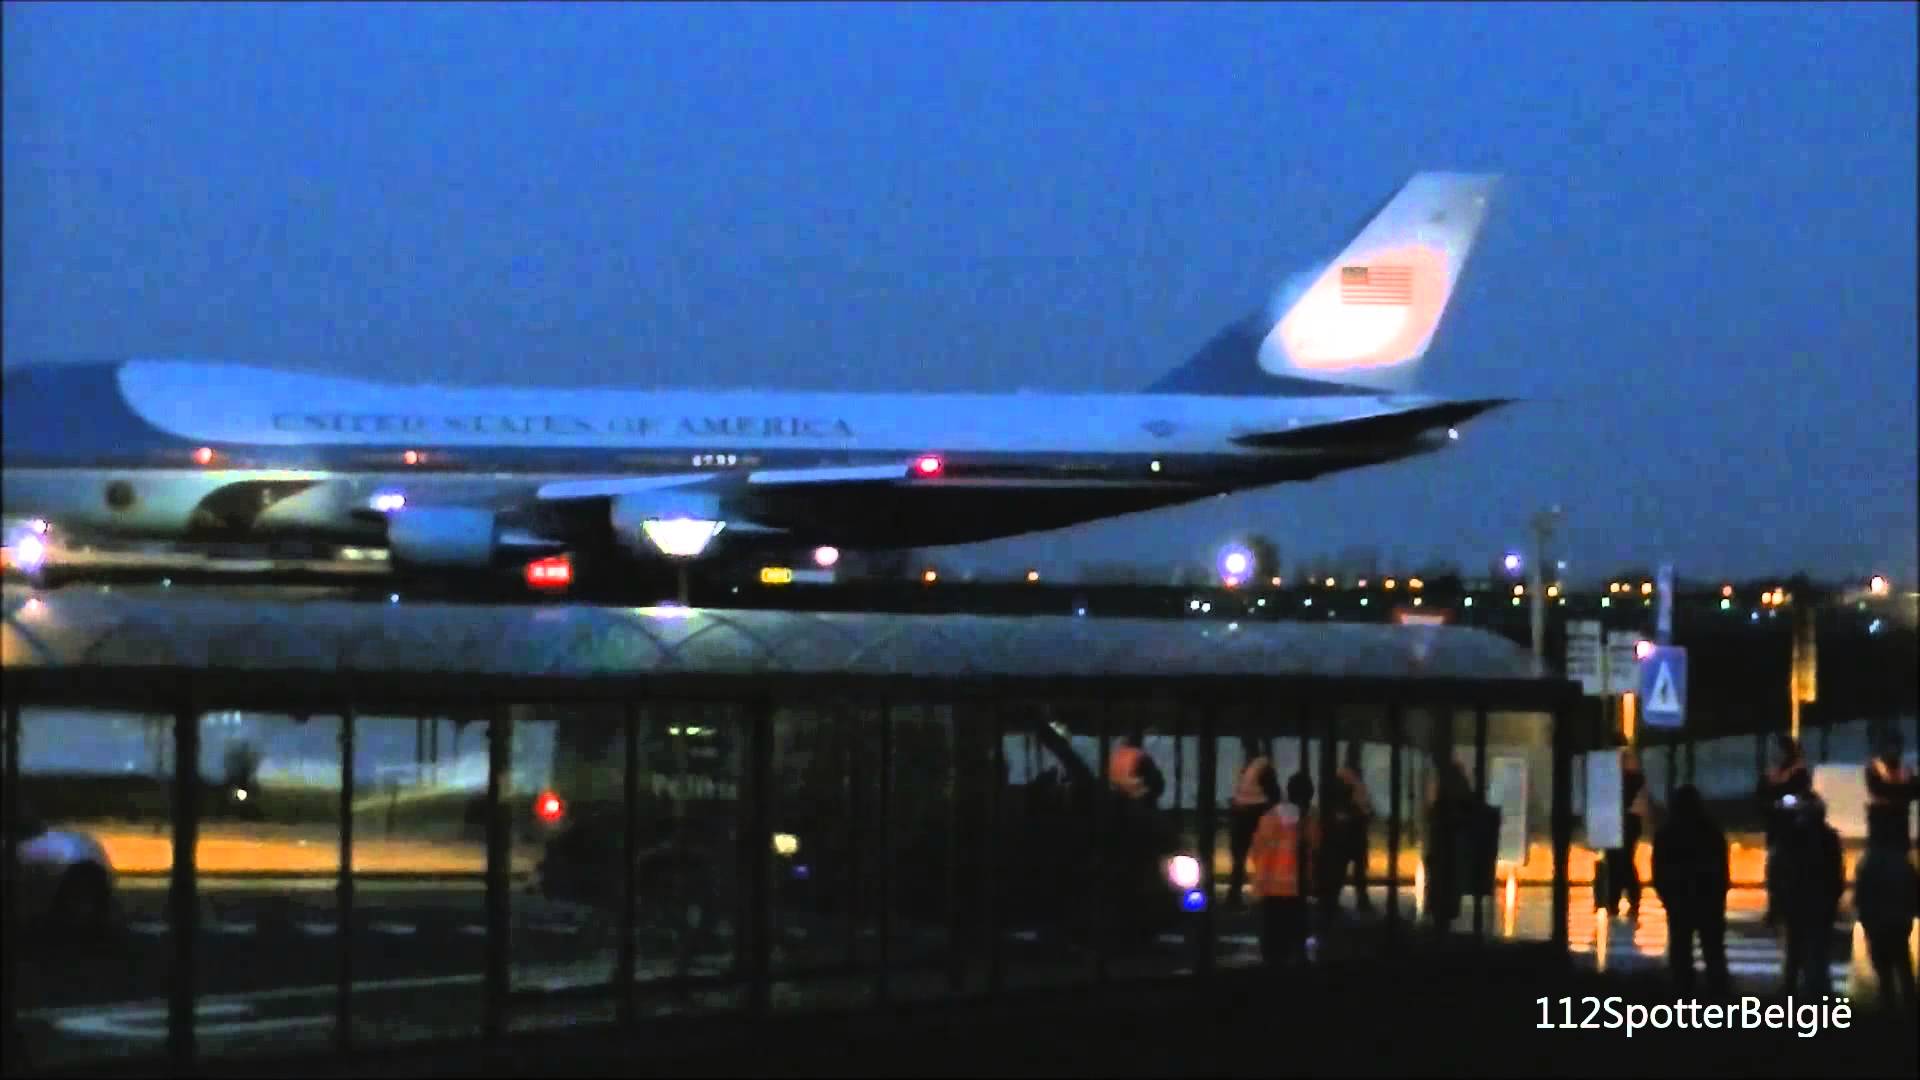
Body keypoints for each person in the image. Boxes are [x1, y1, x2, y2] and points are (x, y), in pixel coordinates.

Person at [1855, 733, 1919, 1009]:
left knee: (1892, 955)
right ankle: (1899, 1000)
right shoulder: (1879, 771)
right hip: (1895, 851)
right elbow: (1901, 792)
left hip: (1892, 850)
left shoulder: (1899, 772)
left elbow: (1905, 792)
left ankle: (1895, 1000)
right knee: (1896, 955)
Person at [1651, 785, 1731, 997]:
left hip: (1679, 902)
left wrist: (1667, 898)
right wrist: (1718, 897)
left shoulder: (1666, 833)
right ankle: (1719, 1001)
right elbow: (1721, 871)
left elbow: (1659, 872)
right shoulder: (1711, 832)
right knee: (1714, 953)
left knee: (1680, 954)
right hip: (1708, 902)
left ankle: (1682, 999)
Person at [1774, 792, 1845, 997]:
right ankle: (1818, 994)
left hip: (1796, 901)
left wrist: (1778, 900)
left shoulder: (1790, 837)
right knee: (1818, 952)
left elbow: (1780, 870)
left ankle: (1789, 993)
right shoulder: (1829, 838)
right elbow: (1835, 874)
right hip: (1820, 903)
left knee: (1794, 952)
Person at [1250, 770, 1321, 968]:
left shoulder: (1270, 818)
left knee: (1272, 945)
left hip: (1269, 890)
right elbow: (1316, 849)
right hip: (1296, 890)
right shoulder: (1308, 821)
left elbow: (1256, 852)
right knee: (1296, 941)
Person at [1758, 734, 1812, 928]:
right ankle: (1775, 908)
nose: (1776, 755)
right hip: (1775, 829)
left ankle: (1788, 908)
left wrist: (1782, 802)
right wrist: (1772, 805)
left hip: (1793, 829)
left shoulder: (1799, 772)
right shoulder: (1771, 774)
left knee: (1791, 871)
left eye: (1779, 751)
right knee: (1774, 871)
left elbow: (1800, 797)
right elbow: (1761, 797)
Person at [1322, 744, 1374, 914]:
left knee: (1342, 870)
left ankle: (1334, 902)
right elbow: (1360, 804)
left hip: (1348, 830)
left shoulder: (1344, 776)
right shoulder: (1352, 778)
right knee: (1356, 871)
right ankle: (1360, 902)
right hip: (1352, 829)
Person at [1423, 755, 1473, 932]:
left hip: (1441, 848)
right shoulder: (1460, 793)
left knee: (1440, 885)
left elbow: (1432, 815)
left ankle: (1439, 921)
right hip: (1451, 848)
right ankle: (1444, 921)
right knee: (1448, 886)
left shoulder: (1441, 798)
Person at [1227, 736, 1278, 908]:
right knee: (1261, 858)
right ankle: (1262, 896)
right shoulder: (1262, 766)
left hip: (1242, 816)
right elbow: (1273, 794)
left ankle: (1233, 898)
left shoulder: (1248, 767)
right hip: (1256, 816)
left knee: (1239, 859)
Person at [1601, 748, 1651, 922]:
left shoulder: (1627, 779)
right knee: (1623, 861)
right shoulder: (1633, 778)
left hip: (1624, 823)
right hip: (1627, 823)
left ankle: (1618, 899)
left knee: (1620, 861)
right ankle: (1626, 898)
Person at [1107, 732, 1166, 806]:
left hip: (1120, 804)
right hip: (1137, 804)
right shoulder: (1141, 757)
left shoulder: (1115, 758)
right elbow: (1157, 784)